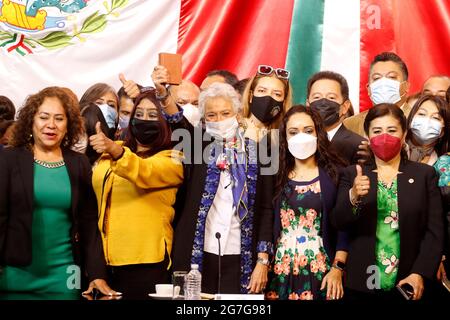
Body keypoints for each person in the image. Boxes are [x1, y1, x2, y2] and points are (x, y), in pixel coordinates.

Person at [152, 67, 274, 294]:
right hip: (199, 253)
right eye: (211, 115)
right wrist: (163, 93)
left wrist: (263, 259)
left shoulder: (260, 152)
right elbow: (178, 122)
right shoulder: (198, 146)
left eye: (225, 113)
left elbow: (267, 208)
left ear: (238, 115)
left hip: (241, 253)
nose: (219, 120)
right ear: (204, 120)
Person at [0, 87, 118, 299]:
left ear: (68, 125)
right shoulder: (8, 159)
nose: (51, 125)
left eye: (59, 119)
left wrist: (97, 273)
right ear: (31, 121)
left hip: (64, 277)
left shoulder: (78, 163)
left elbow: (89, 223)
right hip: (13, 277)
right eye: (44, 117)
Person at [332, 103, 444, 301]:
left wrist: (420, 273)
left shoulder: (424, 175)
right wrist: (354, 196)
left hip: (408, 282)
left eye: (392, 130)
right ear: (367, 136)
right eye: (377, 131)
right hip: (362, 281)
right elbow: (339, 222)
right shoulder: (352, 174)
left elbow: (434, 231)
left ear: (404, 134)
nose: (384, 136)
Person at [89, 87, 183, 300]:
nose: (144, 120)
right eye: (138, 114)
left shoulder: (174, 158)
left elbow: (145, 172)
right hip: (105, 262)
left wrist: (115, 151)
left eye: (153, 116)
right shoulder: (113, 149)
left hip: (147, 263)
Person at [265, 105, 348, 300]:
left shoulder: (336, 174)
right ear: (285, 137)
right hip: (280, 266)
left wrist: (337, 268)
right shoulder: (274, 174)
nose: (301, 136)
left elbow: (344, 226)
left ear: (318, 134)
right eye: (293, 132)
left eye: (308, 130)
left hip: (321, 266)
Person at [344, 52, 411, 137]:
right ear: (369, 89)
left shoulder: (417, 121)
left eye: (392, 77)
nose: (383, 83)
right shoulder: (350, 125)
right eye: (376, 78)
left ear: (406, 86)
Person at [306, 71, 366, 164]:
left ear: (345, 107)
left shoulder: (359, 146)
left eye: (331, 97)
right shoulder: (296, 141)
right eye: (317, 97)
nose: (323, 102)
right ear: (307, 105)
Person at [241, 65, 293, 142]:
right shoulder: (230, 130)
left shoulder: (286, 139)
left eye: (277, 94)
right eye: (262, 91)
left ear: (284, 102)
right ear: (251, 96)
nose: (268, 98)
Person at [406, 95, 449, 166]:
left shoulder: (444, 163)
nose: (427, 121)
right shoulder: (397, 148)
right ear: (411, 119)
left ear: (443, 131)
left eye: (436, 118)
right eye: (422, 114)